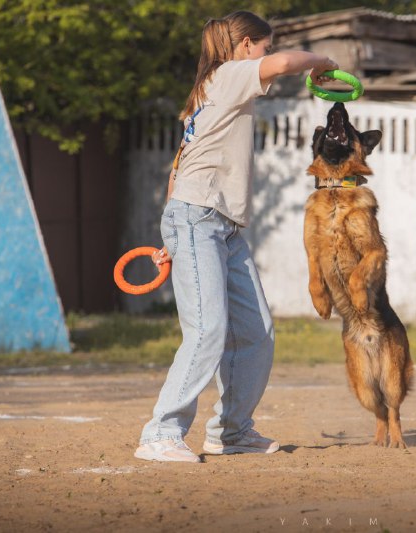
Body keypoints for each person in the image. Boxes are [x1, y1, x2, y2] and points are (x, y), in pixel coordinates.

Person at [134, 11, 338, 463]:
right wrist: (322, 59)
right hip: (198, 219)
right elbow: (284, 64)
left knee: (257, 332)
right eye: (264, 45)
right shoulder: (228, 74)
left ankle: (230, 431)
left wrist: (170, 231)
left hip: (216, 224)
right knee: (207, 330)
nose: (267, 53)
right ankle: (160, 434)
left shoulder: (208, 91)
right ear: (246, 46)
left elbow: (177, 165)